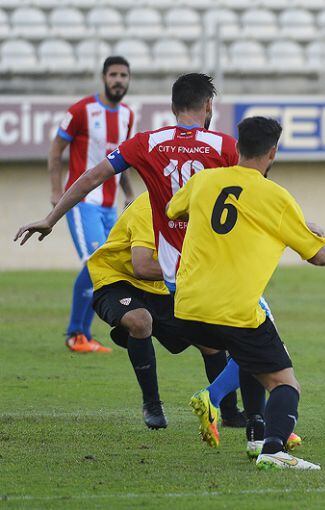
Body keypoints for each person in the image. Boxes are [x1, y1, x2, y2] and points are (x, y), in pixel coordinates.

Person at [15, 73, 273, 447]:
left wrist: (51, 218)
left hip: (173, 275)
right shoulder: (225, 146)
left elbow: (90, 178)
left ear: (172, 108)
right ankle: (250, 423)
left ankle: (240, 416)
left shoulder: (145, 143)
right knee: (258, 334)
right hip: (199, 271)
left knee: (234, 339)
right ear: (208, 107)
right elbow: (260, 192)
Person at [166, 116, 325, 470]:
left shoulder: (203, 180)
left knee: (248, 358)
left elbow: (174, 208)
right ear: (273, 152)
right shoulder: (275, 197)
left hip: (187, 308)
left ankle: (253, 434)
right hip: (234, 311)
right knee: (285, 384)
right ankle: (273, 449)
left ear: (236, 147)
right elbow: (318, 256)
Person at [87, 191, 246, 429]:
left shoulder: (200, 206)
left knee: (210, 339)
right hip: (118, 281)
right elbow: (142, 266)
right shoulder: (147, 208)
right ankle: (152, 405)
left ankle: (230, 413)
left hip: (163, 289)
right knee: (140, 321)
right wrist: (197, 273)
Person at [49, 56, 136, 353]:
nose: (119, 80)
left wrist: (129, 192)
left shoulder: (127, 114)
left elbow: (118, 162)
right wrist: (56, 190)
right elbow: (56, 148)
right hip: (83, 201)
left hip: (109, 205)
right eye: (114, 74)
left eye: (124, 75)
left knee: (111, 263)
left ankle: (85, 334)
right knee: (95, 262)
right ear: (103, 77)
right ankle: (76, 334)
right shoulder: (82, 110)